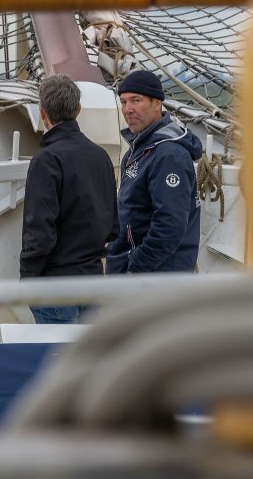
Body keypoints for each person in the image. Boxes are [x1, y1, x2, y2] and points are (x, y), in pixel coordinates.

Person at [20, 75, 118, 323]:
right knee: (87, 349)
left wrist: (27, 278)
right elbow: (112, 227)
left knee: (57, 349)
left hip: (56, 284)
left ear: (43, 113)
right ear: (78, 109)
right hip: (92, 280)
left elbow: (40, 231)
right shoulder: (101, 157)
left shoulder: (47, 160)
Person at [107, 69, 203, 274]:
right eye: (123, 102)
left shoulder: (169, 156)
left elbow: (169, 226)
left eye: (136, 100)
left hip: (154, 278)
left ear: (157, 104)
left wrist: (135, 268)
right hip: (134, 270)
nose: (127, 109)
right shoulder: (139, 150)